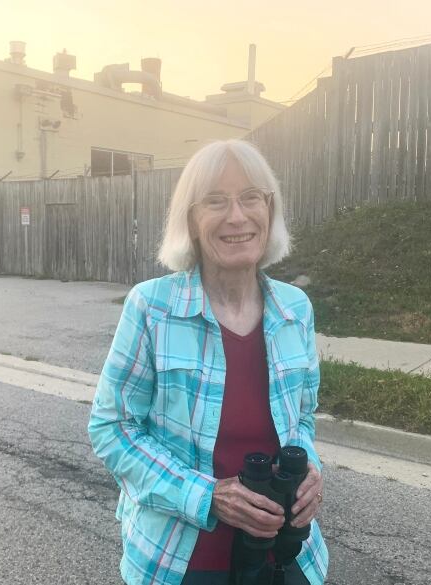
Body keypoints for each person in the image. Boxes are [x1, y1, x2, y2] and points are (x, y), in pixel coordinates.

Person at [88, 139, 328, 585]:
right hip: (181, 562)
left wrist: (310, 466)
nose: (237, 216)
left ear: (269, 209)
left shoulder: (296, 309)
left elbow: (303, 419)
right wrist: (208, 496)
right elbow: (112, 427)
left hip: (290, 555)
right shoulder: (152, 307)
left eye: (251, 197)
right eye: (216, 201)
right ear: (192, 221)